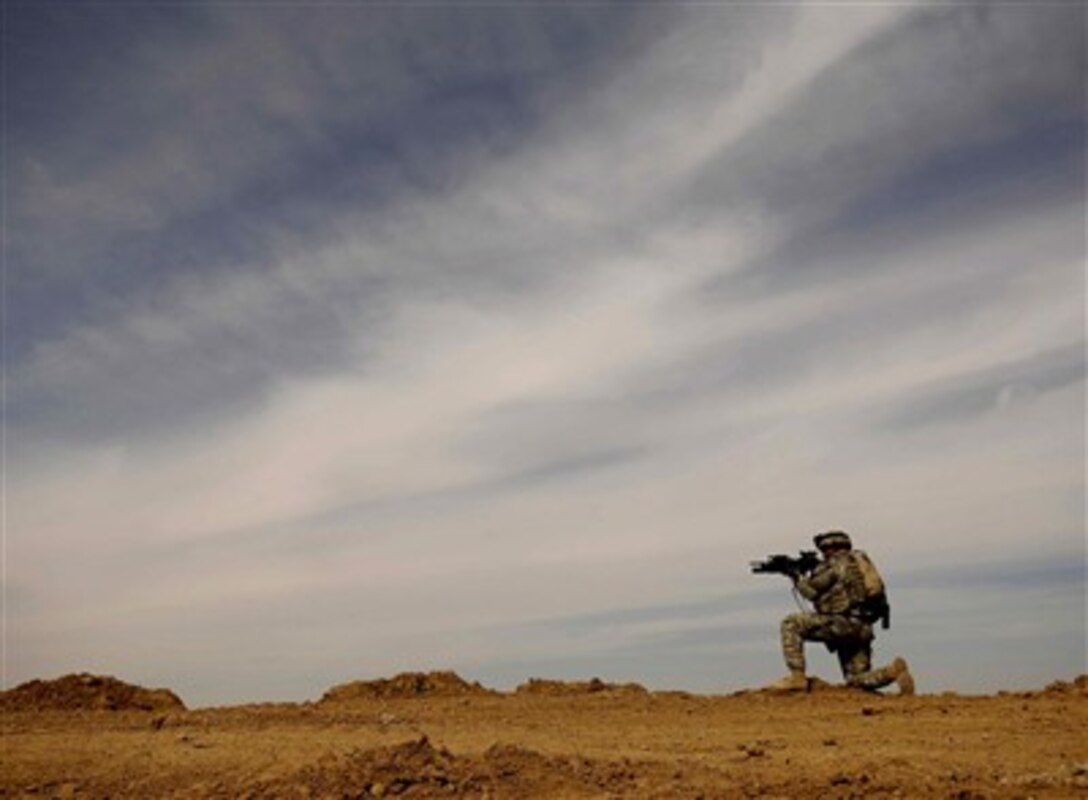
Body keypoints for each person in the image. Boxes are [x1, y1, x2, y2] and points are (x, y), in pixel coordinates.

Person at [768, 530, 914, 694]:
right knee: (856, 680)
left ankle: (797, 677)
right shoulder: (859, 565)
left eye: (824, 549)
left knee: (791, 623)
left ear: (831, 547)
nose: (823, 553)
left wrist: (796, 576)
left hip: (842, 624)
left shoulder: (835, 566)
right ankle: (892, 671)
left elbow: (812, 592)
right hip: (863, 628)